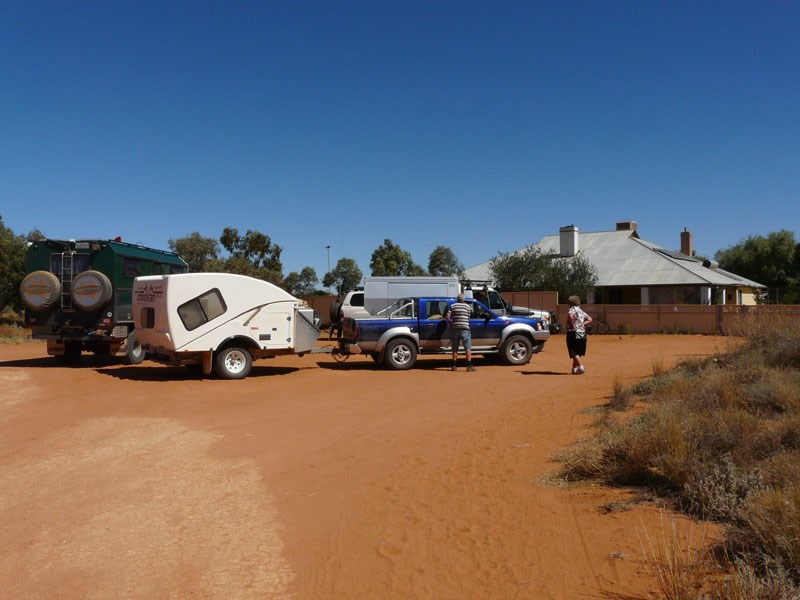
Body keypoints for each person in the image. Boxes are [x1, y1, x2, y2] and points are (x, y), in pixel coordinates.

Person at [445, 293, 474, 371]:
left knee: (455, 348)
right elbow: (468, 317)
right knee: (467, 347)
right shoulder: (467, 306)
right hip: (465, 329)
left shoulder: (452, 306)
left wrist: (451, 323)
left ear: (457, 299)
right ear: (464, 299)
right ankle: (469, 366)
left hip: (455, 329)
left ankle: (454, 365)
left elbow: (447, 316)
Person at [566, 295, 592, 374]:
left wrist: (571, 324)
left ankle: (580, 366)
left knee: (572, 350)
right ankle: (574, 368)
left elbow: (570, 316)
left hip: (572, 331)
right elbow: (590, 319)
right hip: (581, 331)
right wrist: (583, 324)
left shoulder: (571, 309)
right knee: (577, 350)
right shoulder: (581, 311)